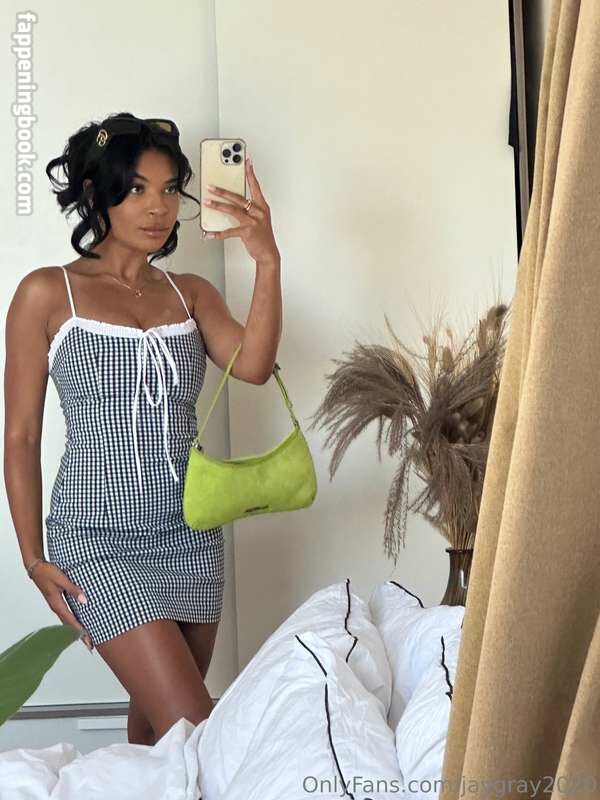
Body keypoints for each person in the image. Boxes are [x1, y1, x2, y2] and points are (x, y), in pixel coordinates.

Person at [4, 112, 281, 745]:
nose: (157, 207)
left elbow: (256, 367)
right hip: (95, 540)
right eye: (135, 189)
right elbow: (21, 436)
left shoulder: (191, 294)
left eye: (169, 189)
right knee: (200, 729)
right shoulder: (47, 293)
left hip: (191, 533)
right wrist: (32, 557)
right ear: (96, 193)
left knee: (162, 741)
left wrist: (267, 260)